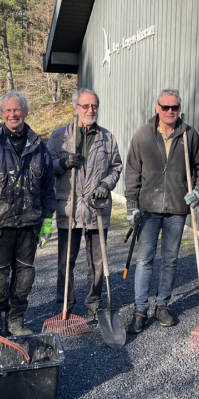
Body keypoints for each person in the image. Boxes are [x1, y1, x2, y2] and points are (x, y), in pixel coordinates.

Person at [0, 91, 56, 337]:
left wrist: (47, 221)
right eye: (7, 110)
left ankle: (16, 319)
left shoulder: (39, 146)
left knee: (25, 275)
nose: (12, 114)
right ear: (2, 113)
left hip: (29, 224)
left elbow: (48, 188)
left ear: (25, 112)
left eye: (17, 110)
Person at [124, 89, 199, 333]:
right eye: (166, 107)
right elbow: (132, 173)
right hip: (148, 208)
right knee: (144, 260)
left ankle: (162, 305)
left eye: (175, 108)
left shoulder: (189, 135)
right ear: (157, 107)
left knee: (170, 260)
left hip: (177, 208)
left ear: (179, 109)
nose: (170, 112)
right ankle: (140, 309)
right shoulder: (143, 135)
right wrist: (131, 205)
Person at [47, 88, 122, 320]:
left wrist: (106, 185)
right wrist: (62, 163)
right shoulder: (59, 136)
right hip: (68, 207)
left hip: (96, 207)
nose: (91, 110)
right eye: (86, 106)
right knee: (65, 261)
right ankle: (65, 304)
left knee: (97, 261)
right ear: (76, 107)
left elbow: (116, 167)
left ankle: (94, 302)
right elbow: (45, 165)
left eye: (94, 105)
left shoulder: (107, 138)